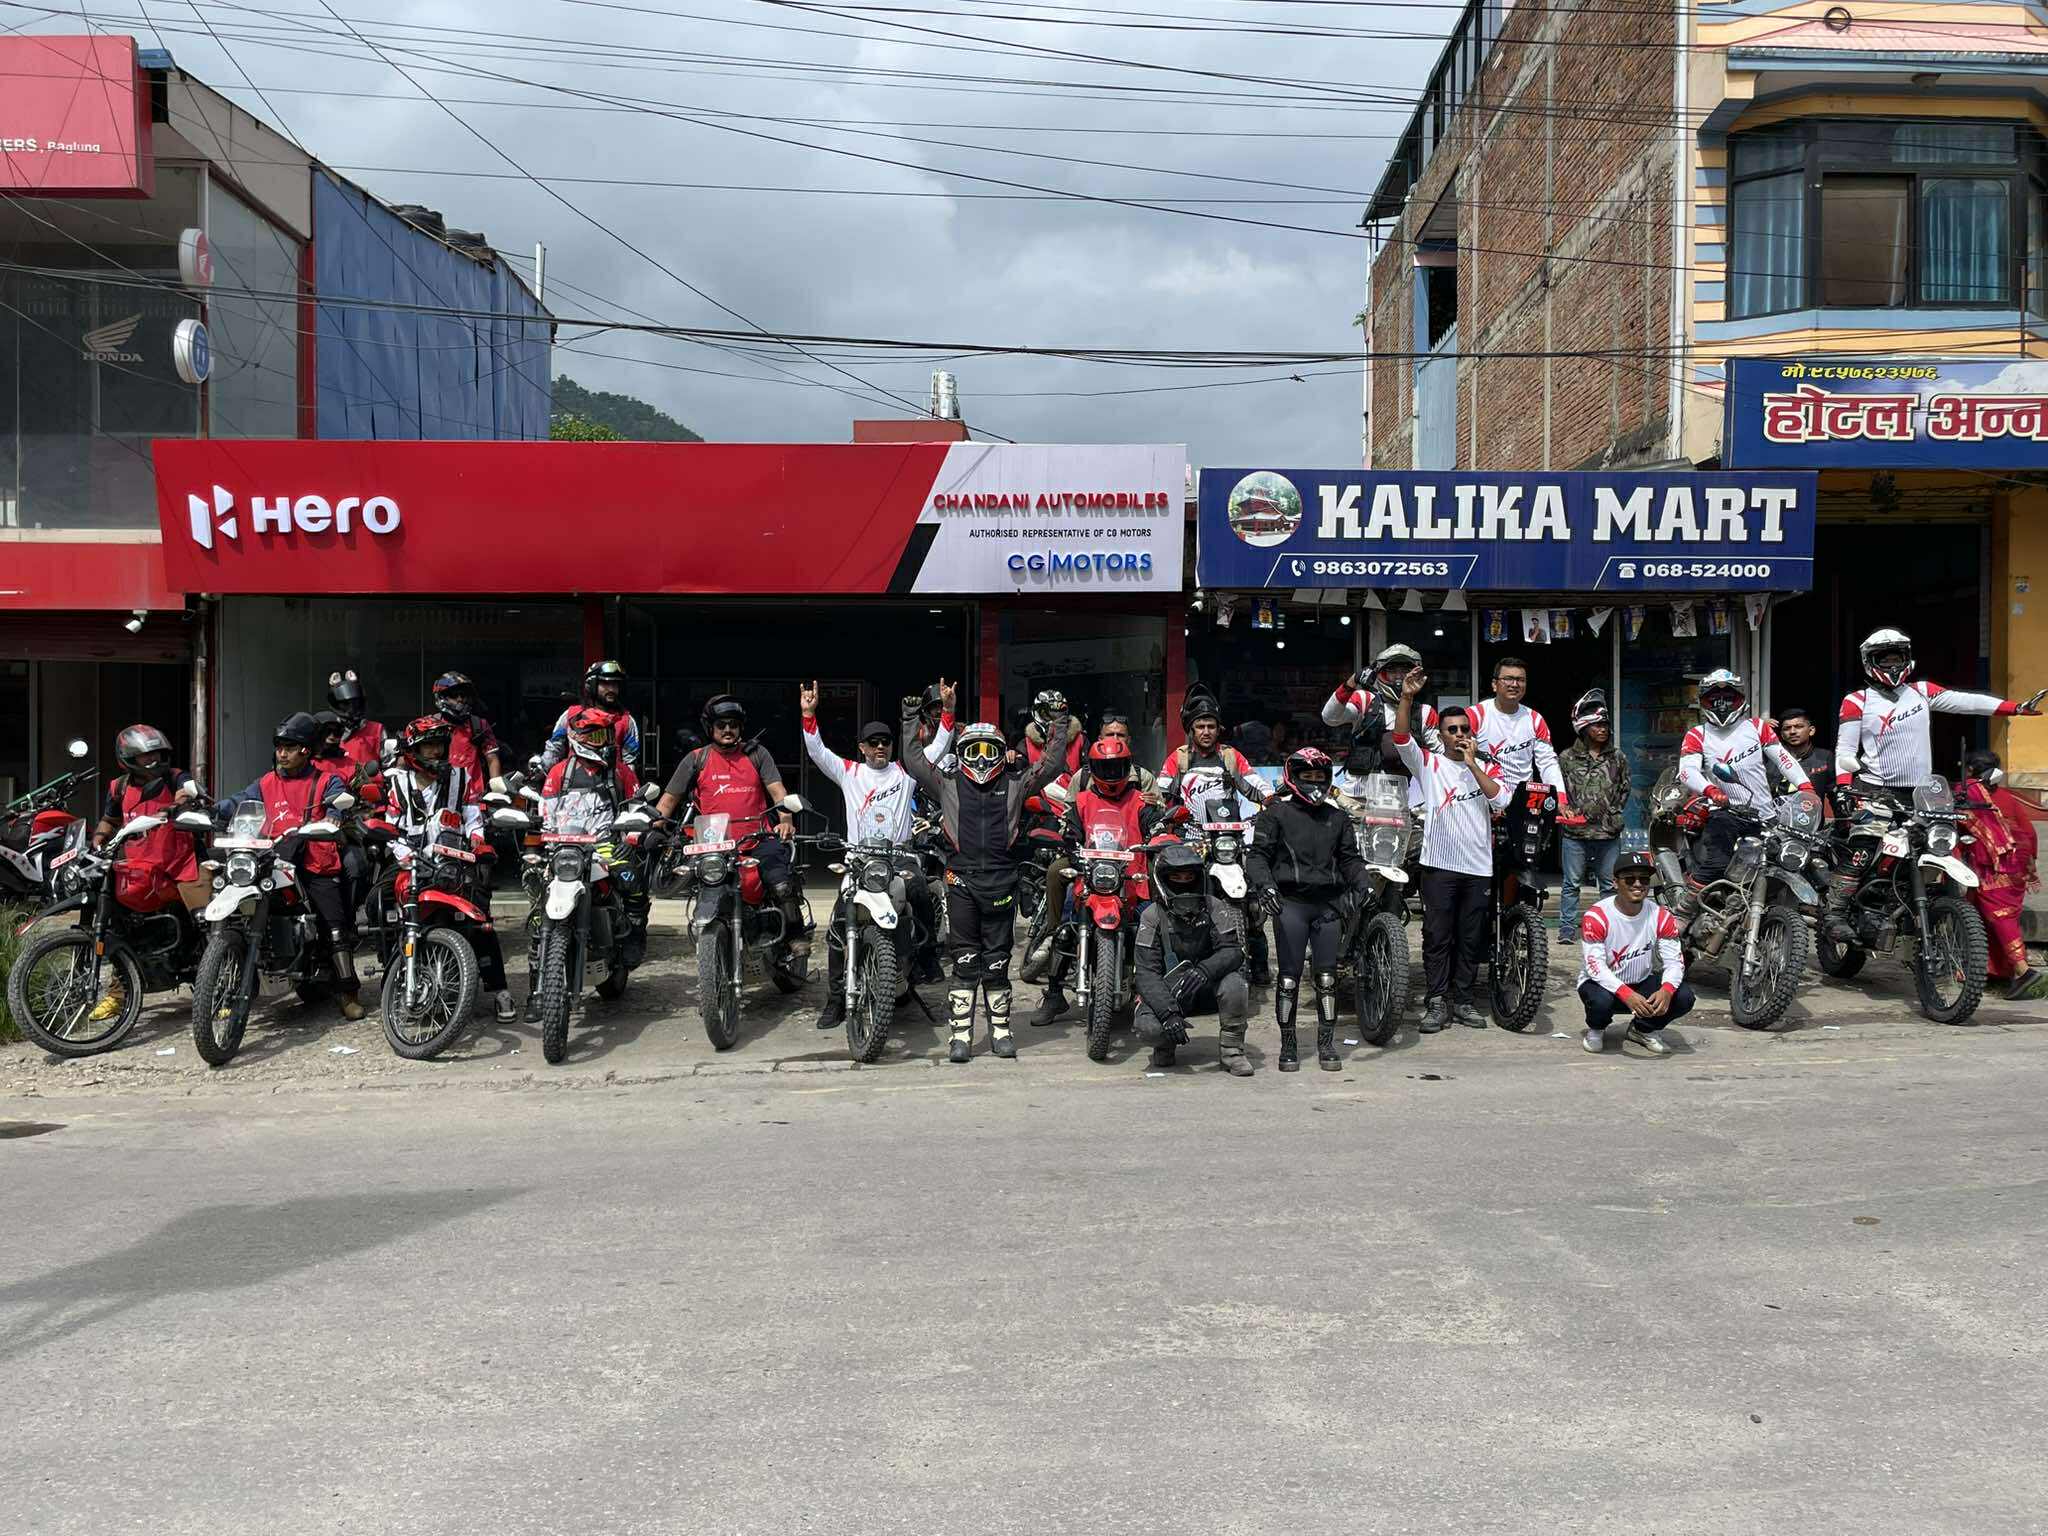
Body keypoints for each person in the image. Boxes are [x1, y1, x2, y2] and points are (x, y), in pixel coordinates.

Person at [900, 703, 1072, 1063]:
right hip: (960, 881)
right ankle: (960, 1036)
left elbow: (1052, 763)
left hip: (1002, 882)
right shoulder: (946, 783)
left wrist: (1059, 720)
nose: (981, 759)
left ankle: (1001, 1031)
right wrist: (909, 719)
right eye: (972, 751)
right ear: (960, 754)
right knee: (964, 961)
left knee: (996, 962)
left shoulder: (1015, 782)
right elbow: (914, 761)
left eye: (989, 751)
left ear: (1001, 754)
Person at [801, 678, 955, 1029]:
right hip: (858, 860)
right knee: (840, 923)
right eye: (874, 743)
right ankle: (837, 998)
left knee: (919, 887)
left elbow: (939, 749)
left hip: (900, 857)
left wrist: (948, 711)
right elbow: (817, 752)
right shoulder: (849, 773)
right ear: (862, 747)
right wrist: (808, 714)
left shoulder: (906, 772)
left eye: (885, 741)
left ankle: (927, 957)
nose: (881, 747)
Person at [368, 716, 519, 1024]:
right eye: (428, 747)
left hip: (454, 860)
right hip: (408, 861)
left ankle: (499, 990)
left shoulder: (461, 778)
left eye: (439, 746)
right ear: (413, 751)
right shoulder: (397, 782)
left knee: (480, 917)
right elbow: (391, 826)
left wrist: (479, 845)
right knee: (377, 904)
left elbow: (474, 819)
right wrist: (402, 854)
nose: (435, 753)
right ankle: (394, 972)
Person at [216, 712, 362, 1019]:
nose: (282, 752)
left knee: (334, 927)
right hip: (273, 859)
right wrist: (210, 809)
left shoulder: (325, 780)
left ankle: (347, 991)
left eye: (290, 747)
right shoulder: (266, 782)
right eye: (279, 746)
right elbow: (237, 803)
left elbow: (338, 799)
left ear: (306, 750)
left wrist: (334, 814)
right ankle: (226, 983)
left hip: (314, 861)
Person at [1392, 669, 1512, 1032]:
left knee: (1471, 938)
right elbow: (1400, 738)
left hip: (1478, 868)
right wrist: (1407, 698)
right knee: (1437, 937)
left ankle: (1462, 1001)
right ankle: (1436, 1001)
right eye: (1453, 730)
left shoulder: (1487, 765)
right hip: (1438, 866)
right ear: (1441, 735)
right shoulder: (1429, 763)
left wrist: (1473, 763)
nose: (1460, 735)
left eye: (1465, 729)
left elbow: (1501, 798)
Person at [1031, 735, 1172, 1029]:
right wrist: (1067, 840)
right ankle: (1055, 993)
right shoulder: (1082, 801)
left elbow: (1153, 821)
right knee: (1066, 930)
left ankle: (1160, 997)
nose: (1110, 774)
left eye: (1116, 767)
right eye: (1103, 768)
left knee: (1156, 930)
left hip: (1132, 879)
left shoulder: (1139, 800)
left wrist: (1159, 831)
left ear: (1127, 768)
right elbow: (1070, 828)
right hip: (1092, 878)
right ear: (1092, 768)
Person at [1245, 746, 1371, 1071]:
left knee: (1328, 978)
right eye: (1307, 776)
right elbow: (1257, 855)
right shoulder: (1275, 814)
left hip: (1328, 905)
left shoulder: (1338, 817)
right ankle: (1289, 1045)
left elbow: (1349, 859)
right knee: (1288, 979)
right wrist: (1266, 887)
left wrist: (1362, 883)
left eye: (1320, 777)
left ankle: (1327, 1045)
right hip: (1289, 904)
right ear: (1293, 778)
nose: (1314, 782)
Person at [656, 694, 803, 964]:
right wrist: (653, 827)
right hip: (714, 844)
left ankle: (794, 935)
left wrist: (786, 821)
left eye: (733, 724)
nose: (727, 730)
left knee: (781, 884)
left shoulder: (757, 754)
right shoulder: (696, 759)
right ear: (710, 728)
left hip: (758, 838)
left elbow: (777, 792)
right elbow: (668, 801)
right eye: (721, 724)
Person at [85, 725, 205, 1021]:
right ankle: (118, 992)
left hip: (182, 864)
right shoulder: (119, 787)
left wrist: (178, 805)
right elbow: (109, 820)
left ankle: (217, 987)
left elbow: (189, 792)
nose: (153, 761)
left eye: (156, 754)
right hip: (139, 867)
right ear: (127, 759)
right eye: (144, 757)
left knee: (206, 921)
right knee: (118, 926)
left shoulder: (176, 776)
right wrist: (99, 838)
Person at [532, 707, 646, 1015]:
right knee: (535, 909)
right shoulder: (559, 772)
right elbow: (546, 812)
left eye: (608, 735)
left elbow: (636, 808)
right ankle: (537, 987)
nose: (605, 742)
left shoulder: (621, 771)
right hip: (564, 847)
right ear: (577, 737)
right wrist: (542, 842)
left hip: (604, 846)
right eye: (597, 735)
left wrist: (630, 840)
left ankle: (634, 934)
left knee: (632, 879)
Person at [1835, 628, 2039, 796]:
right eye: (1885, 660)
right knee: (1869, 843)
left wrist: (2016, 708)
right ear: (1869, 661)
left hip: (1922, 791)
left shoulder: (1922, 691)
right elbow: (1845, 752)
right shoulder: (1856, 701)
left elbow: (1967, 701)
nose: (1893, 665)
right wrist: (1844, 788)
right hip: (1875, 790)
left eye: (1897, 659)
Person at [1160, 688, 1272, 980]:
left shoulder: (1230, 757)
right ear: (1191, 729)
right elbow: (1160, 793)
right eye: (1200, 726)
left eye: (1211, 726)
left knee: (1252, 896)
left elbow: (1253, 782)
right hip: (1190, 838)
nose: (1206, 732)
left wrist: (1270, 797)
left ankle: (1258, 961)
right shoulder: (1179, 760)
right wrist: (1162, 808)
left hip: (1227, 839)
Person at [1678, 670, 1812, 885]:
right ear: (1704, 701)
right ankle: (1684, 913)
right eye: (1714, 699)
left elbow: (1782, 758)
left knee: (1789, 864)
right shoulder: (1697, 734)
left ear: (1740, 698)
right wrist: (1711, 790)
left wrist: (1806, 787)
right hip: (1725, 814)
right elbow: (1687, 771)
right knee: (1717, 865)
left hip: (1765, 815)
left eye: (1728, 698)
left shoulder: (1757, 727)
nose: (1722, 704)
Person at [1133, 842, 1253, 1075]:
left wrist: (1205, 970)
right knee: (1149, 1028)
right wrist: (1168, 1013)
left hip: (1206, 985)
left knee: (1236, 984)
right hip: (1171, 990)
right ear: (1163, 879)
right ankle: (1165, 1043)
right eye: (1176, 877)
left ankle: (1232, 1051)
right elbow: (1146, 973)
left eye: (1189, 876)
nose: (1183, 881)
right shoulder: (1151, 916)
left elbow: (1233, 951)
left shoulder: (1215, 907)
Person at [1467, 657, 1569, 899]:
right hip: (1482, 804)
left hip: (1523, 806)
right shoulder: (1476, 714)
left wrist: (1561, 799)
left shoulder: (1534, 719)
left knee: (1523, 868)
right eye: (1508, 679)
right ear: (1494, 684)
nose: (1514, 684)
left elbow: (1547, 762)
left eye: (1520, 680)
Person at [1578, 848, 1694, 1054]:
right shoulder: (1596, 916)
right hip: (1602, 986)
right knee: (1600, 1002)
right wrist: (1625, 993)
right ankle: (1596, 1029)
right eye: (1629, 879)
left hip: (1641, 982)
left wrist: (1667, 990)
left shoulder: (1661, 916)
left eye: (1644, 879)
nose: (1638, 884)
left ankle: (1642, 1029)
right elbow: (1594, 967)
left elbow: (1675, 961)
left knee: (1683, 996)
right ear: (1615, 883)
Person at [1960, 749, 2048, 1001]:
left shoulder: (1967, 795)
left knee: (1999, 916)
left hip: (1993, 867)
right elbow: (2029, 833)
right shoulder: (2008, 798)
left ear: (1970, 771)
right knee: (1978, 914)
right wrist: (2030, 864)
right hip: (2016, 865)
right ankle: (1993, 973)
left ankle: (2022, 970)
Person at [1556, 688, 1631, 945]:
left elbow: (1624, 788)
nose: (1603, 730)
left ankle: (1606, 929)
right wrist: (1566, 809)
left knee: (1609, 885)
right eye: (1597, 725)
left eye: (1606, 725)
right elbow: (1559, 790)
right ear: (1584, 727)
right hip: (1574, 832)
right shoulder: (1566, 758)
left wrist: (1613, 812)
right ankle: (1567, 929)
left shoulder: (1617, 757)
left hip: (1608, 832)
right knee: (1571, 884)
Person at [1321, 644, 1441, 784]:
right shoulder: (1365, 700)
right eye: (1392, 671)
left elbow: (1441, 754)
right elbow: (1330, 718)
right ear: (1382, 674)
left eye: (1404, 671)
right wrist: (1351, 683)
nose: (1399, 677)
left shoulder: (1425, 712)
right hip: (1358, 796)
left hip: (1406, 796)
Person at [541, 660, 643, 770]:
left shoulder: (626, 720)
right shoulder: (571, 715)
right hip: (572, 783)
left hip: (612, 784)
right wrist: (540, 770)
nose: (612, 689)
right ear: (591, 685)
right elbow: (554, 751)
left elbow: (630, 763)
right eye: (605, 683)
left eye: (615, 684)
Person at [432, 671, 505, 784]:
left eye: (463, 695)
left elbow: (492, 759)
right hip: (438, 794)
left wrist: (497, 790)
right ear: (441, 696)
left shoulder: (479, 725)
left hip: (473, 796)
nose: (460, 699)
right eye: (454, 694)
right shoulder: (428, 726)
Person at [327, 669, 385, 780]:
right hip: (334, 791)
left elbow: (389, 766)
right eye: (345, 704)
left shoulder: (377, 729)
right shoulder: (326, 730)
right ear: (336, 704)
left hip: (369, 790)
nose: (351, 708)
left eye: (355, 703)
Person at [1023, 689, 1083, 776]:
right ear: (1037, 714)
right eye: (1046, 714)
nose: (1053, 719)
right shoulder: (1025, 743)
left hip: (1072, 788)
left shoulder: (1080, 739)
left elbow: (1089, 773)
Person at [1775, 705, 1833, 790]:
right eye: (1787, 728)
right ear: (1782, 734)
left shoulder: (1825, 757)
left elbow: (1835, 793)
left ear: (1811, 731)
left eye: (1799, 727)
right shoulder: (1773, 757)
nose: (1792, 732)